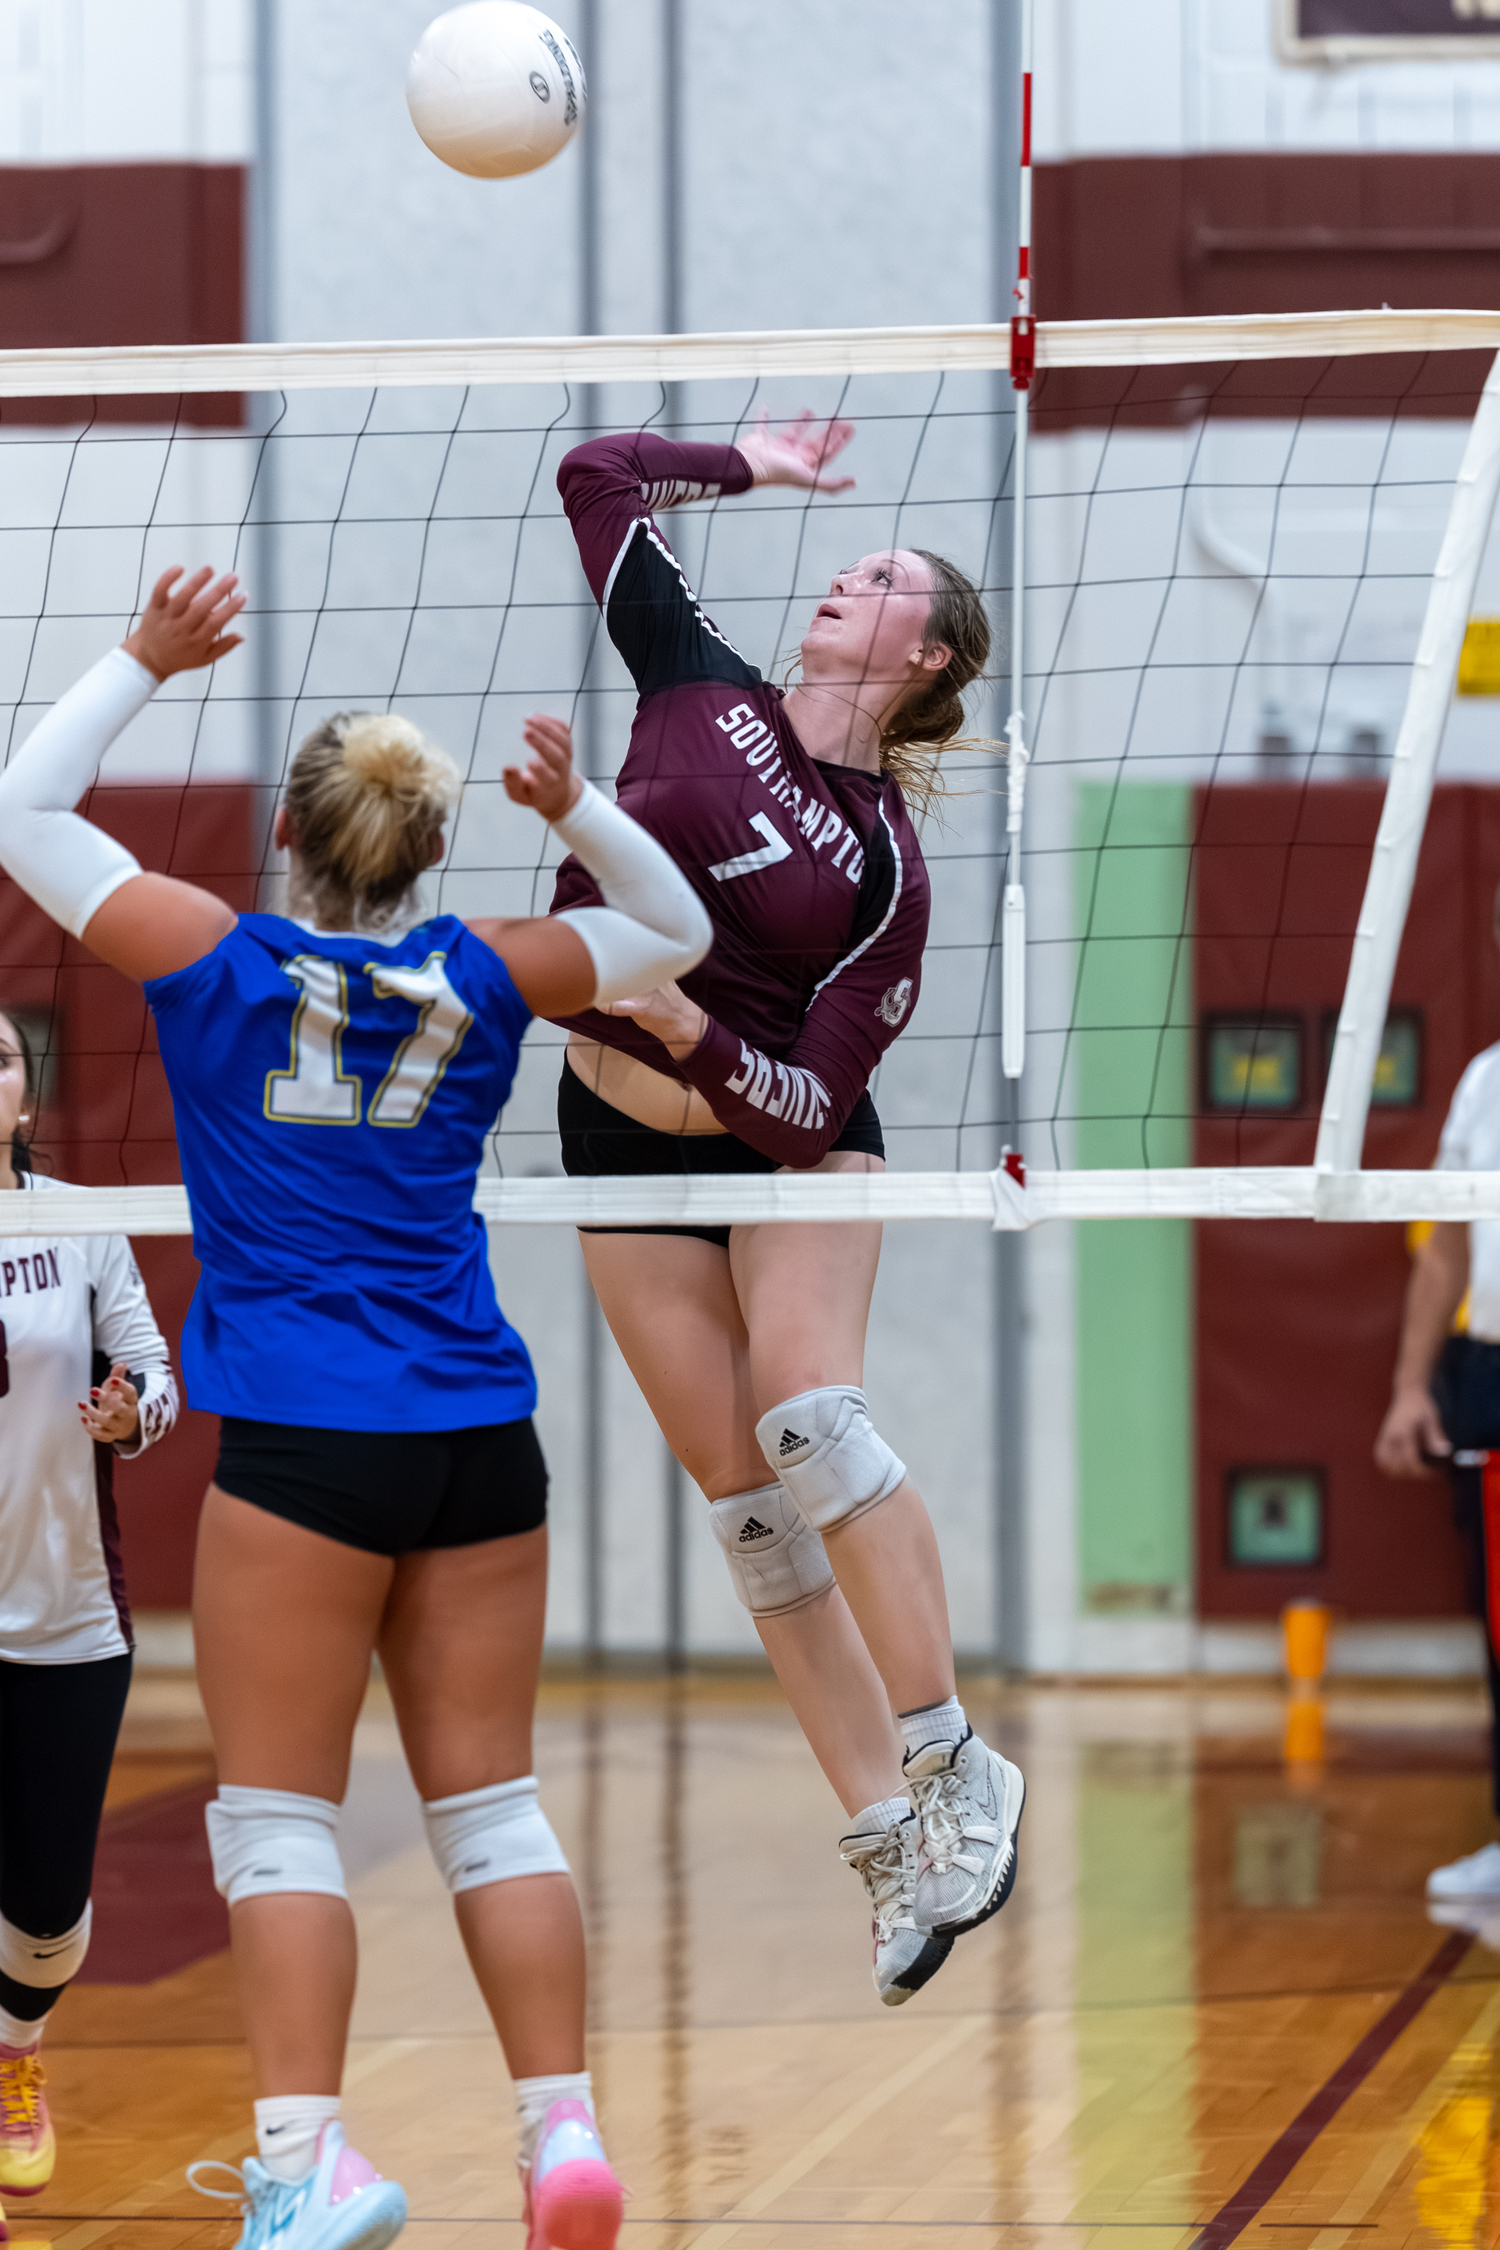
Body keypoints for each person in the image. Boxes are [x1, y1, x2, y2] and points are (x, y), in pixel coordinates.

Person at [0, 564, 712, 2250]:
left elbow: (21, 814)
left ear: (298, 841)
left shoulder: (220, 963)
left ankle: (310, 2162)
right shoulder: (489, 971)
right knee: (492, 1806)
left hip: (309, 1450)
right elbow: (677, 933)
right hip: (479, 1434)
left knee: (275, 1818)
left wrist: (144, 662)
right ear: (429, 853)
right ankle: (563, 2138)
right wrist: (586, 804)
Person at [547, 414, 1026, 2007]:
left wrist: (690, 1032)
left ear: (930, 651)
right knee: (750, 1509)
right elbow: (595, 475)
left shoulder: (888, 867)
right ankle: (887, 1839)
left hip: (785, 1152)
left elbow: (815, 1106)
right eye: (849, 556)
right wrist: (743, 461)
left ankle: (954, 1752)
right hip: (617, 1151)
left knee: (812, 1414)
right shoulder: (697, 683)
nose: (846, 572)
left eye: (882, 574)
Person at [0, 1007, 179, 2200]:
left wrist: (131, 1418)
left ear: (27, 1089)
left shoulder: (78, 1223)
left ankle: (17, 2056)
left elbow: (155, 1381)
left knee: (48, 1906)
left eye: (3, 1055)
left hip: (63, 1613)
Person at [1376, 922, 1500, 1904]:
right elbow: (1447, 1251)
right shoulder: (1482, 1081)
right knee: (1497, 1616)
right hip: (1487, 1374)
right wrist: (1414, 1386)